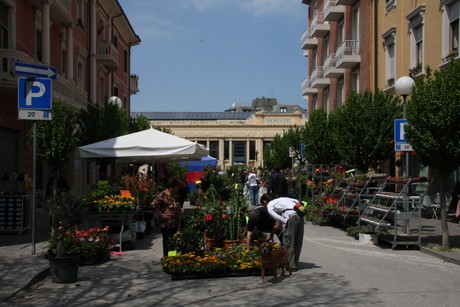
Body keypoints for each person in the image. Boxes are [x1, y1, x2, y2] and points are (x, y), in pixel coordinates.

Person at [260, 193, 306, 271]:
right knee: (298, 240)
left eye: (263, 204)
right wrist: (271, 235)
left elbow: (277, 218)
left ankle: (290, 266)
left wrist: (285, 220)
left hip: (291, 217)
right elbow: (297, 201)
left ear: (264, 201)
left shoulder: (270, 205)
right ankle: (294, 263)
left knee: (289, 241)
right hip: (300, 216)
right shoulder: (282, 199)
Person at [150, 177, 183, 257]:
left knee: (173, 243)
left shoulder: (173, 195)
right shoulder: (163, 194)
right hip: (166, 224)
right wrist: (161, 215)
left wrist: (179, 210)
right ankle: (167, 260)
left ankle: (171, 259)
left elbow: (174, 206)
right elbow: (153, 204)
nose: (177, 189)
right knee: (168, 243)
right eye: (176, 187)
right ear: (172, 186)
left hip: (174, 223)